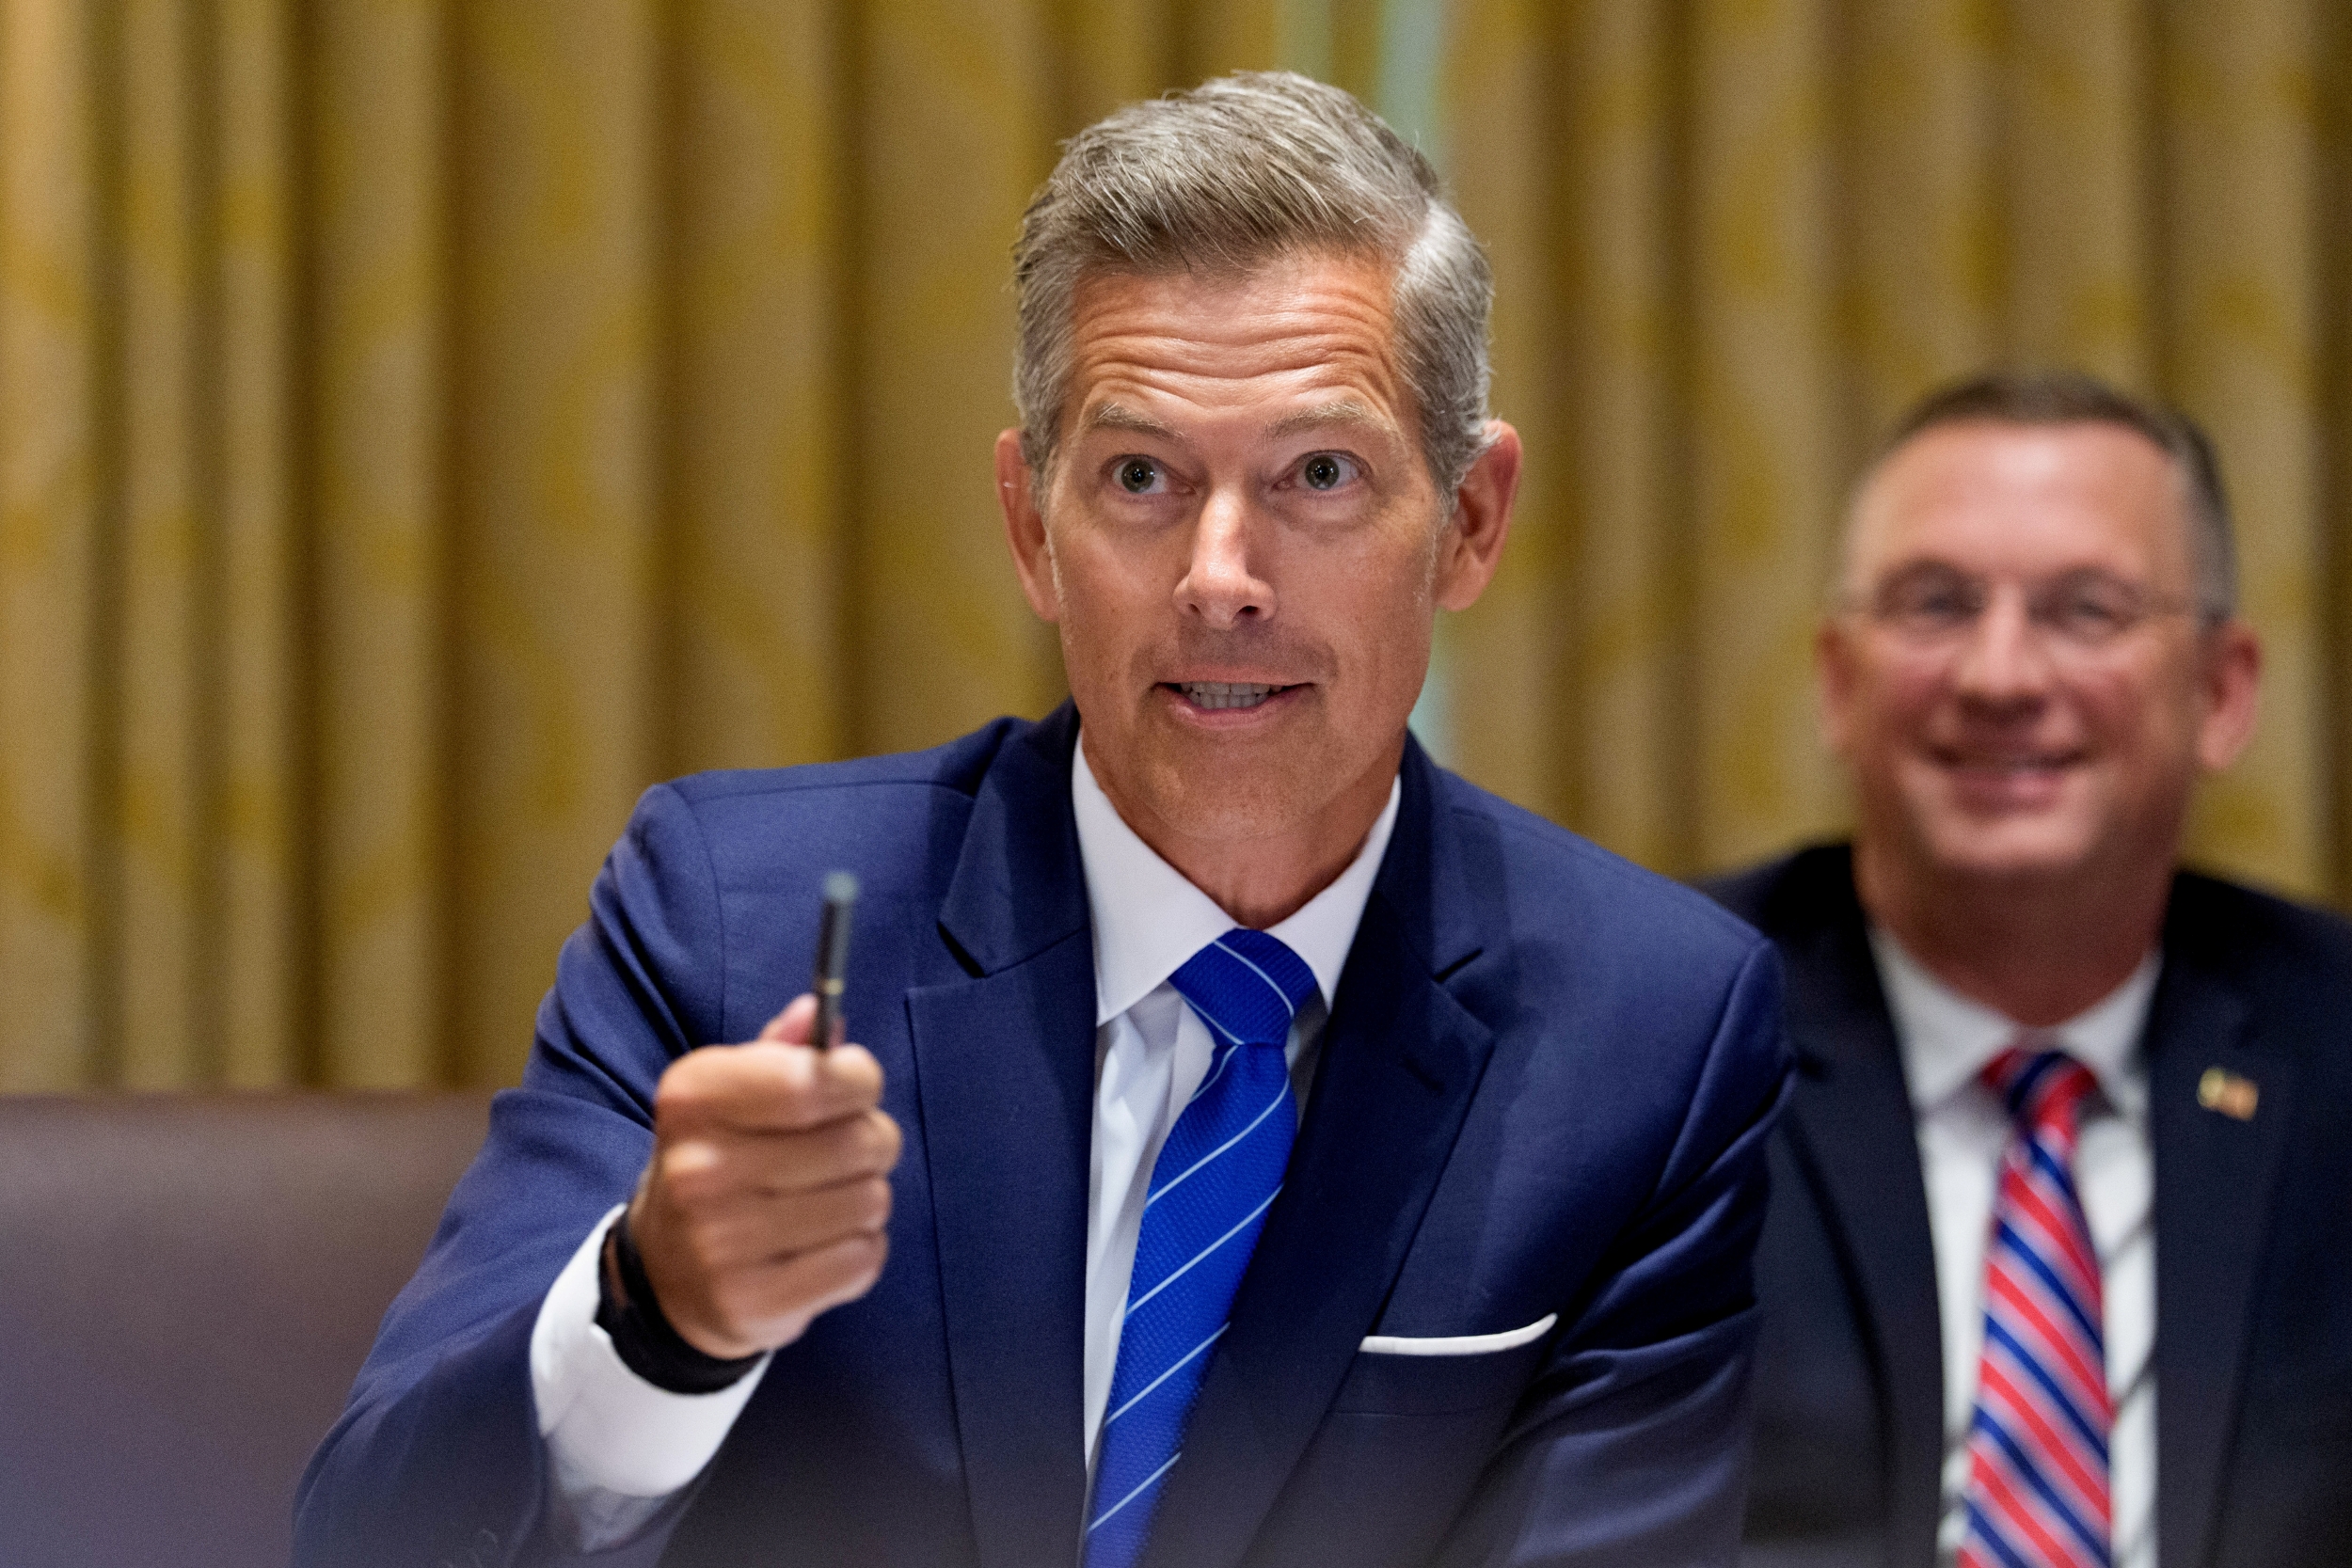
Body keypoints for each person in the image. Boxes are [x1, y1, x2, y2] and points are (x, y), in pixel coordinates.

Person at [294, 72, 1788, 1568]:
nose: (1221, 575)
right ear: (1030, 525)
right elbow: (377, 1534)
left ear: (1468, 519)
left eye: (1318, 474)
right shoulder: (726, 920)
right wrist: (659, 1315)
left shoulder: (1648, 1032)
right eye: (1141, 476)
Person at [1712, 371, 2352, 1568]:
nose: (2000, 676)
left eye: (2087, 610)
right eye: (1935, 603)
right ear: (1838, 683)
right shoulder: (1659, 1042)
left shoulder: (2336, 1046)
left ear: (2221, 691)